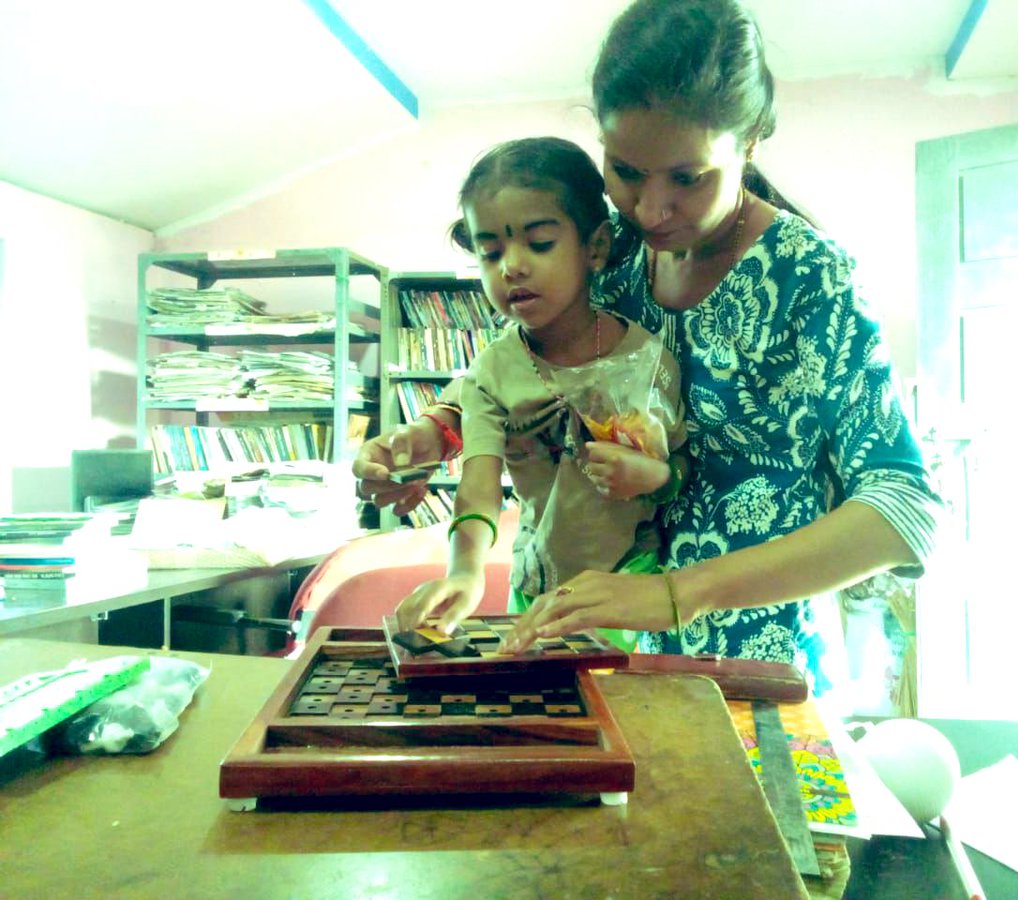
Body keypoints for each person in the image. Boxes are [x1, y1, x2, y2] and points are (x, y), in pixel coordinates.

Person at [355, 0, 940, 695]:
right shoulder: (616, 250)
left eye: (687, 179)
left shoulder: (811, 278)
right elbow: (526, 361)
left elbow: (905, 511)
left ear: (749, 141)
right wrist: (433, 433)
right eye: (626, 171)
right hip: (597, 658)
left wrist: (676, 593)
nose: (651, 208)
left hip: (752, 671)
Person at [390, 136, 687, 651]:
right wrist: (464, 572)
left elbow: (682, 473)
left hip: (631, 587)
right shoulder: (492, 372)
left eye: (540, 243)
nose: (511, 267)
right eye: (491, 251)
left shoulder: (647, 358)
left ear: (594, 248)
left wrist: (655, 476)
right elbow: (479, 484)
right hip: (534, 591)